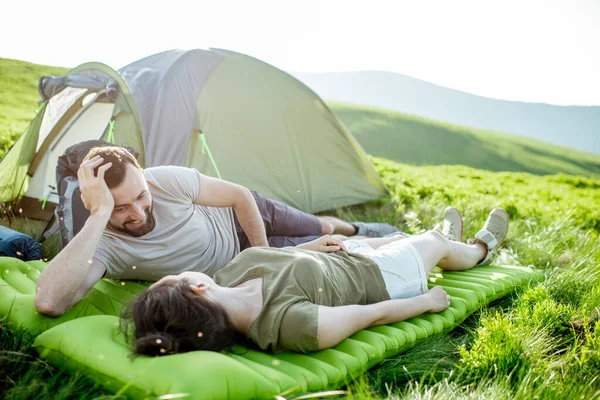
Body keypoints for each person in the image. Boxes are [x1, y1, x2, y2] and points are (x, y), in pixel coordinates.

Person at [35, 147, 398, 317]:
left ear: (145, 177)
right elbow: (50, 302)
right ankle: (380, 239)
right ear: (98, 203)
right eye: (120, 208)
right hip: (239, 262)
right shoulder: (104, 245)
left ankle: (366, 226)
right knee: (330, 249)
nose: (138, 212)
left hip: (247, 218)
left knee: (321, 226)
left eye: (141, 196)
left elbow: (239, 197)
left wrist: (264, 258)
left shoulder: (166, 180)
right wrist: (99, 216)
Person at [123, 207, 509, 355]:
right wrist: (426, 303)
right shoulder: (291, 325)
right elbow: (369, 314)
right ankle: (476, 249)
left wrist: (312, 245)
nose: (179, 272)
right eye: (174, 277)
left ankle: (438, 240)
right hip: (382, 277)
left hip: (340, 256)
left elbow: (280, 260)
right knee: (432, 243)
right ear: (196, 289)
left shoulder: (226, 276)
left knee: (396, 238)